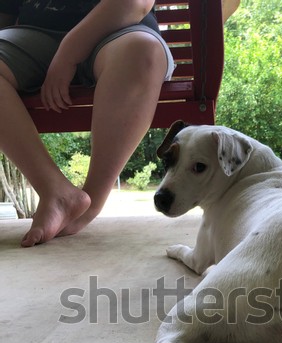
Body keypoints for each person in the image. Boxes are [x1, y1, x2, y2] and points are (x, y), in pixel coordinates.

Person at [0, 0, 175, 247]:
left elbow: (135, 3)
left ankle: (91, 199)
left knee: (142, 51)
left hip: (120, 29)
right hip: (33, 34)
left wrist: (69, 52)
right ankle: (57, 193)